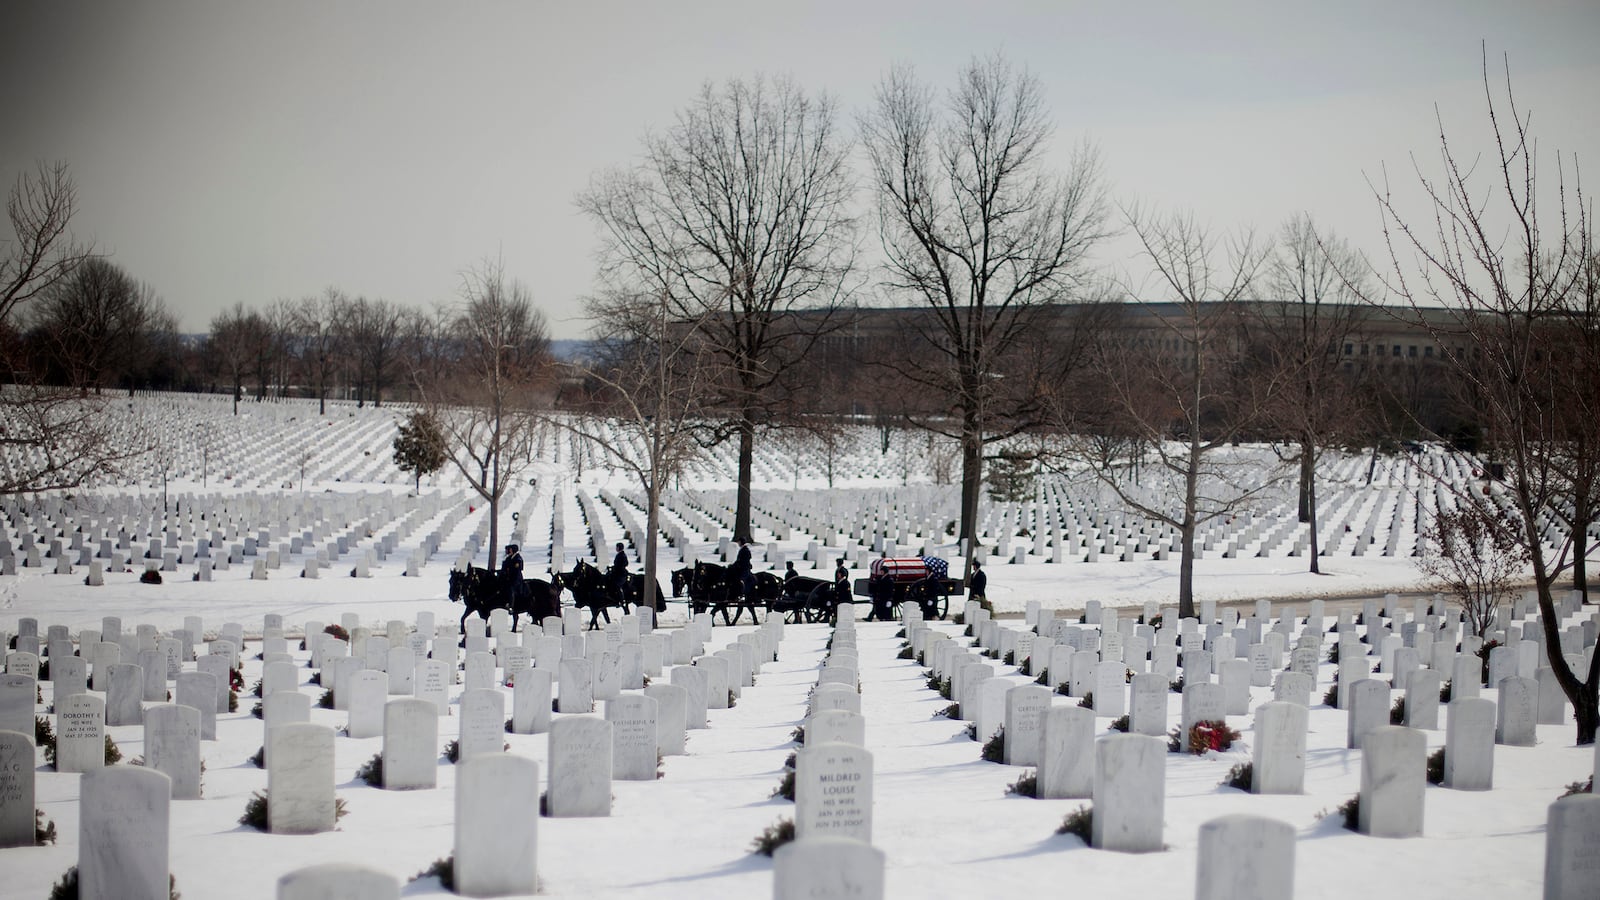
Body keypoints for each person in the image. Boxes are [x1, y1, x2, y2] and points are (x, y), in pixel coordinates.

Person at [609, 541, 630, 607]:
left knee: (617, 585)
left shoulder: (622, 555)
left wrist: (615, 568)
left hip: (621, 574)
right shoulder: (619, 555)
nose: (616, 548)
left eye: (617, 547)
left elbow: (624, 564)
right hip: (617, 573)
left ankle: (621, 600)